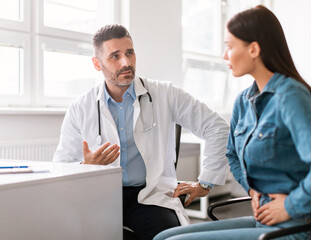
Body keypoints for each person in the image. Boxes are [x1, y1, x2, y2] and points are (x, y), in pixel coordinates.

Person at [154, 5, 311, 240]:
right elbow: (232, 155)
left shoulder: (291, 97)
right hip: (264, 218)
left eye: (230, 46)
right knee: (162, 238)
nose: (224, 55)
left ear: (253, 49)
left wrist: (290, 205)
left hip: (300, 225)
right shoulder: (243, 101)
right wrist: (253, 189)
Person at [52, 24, 230, 240]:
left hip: (149, 197)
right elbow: (60, 166)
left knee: (169, 237)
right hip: (99, 196)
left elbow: (217, 127)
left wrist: (206, 182)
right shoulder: (81, 107)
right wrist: (84, 168)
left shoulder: (165, 93)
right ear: (97, 64)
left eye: (129, 53)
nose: (126, 62)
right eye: (115, 56)